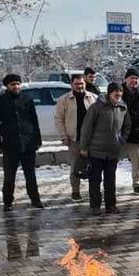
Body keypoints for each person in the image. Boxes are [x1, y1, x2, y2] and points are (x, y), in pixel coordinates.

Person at [0, 73, 44, 211]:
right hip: (9, 144)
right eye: (13, 84)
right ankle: (7, 201)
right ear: (7, 86)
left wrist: (37, 139)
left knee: (30, 174)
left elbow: (34, 120)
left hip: (28, 143)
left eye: (18, 84)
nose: (16, 86)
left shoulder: (27, 99)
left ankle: (35, 199)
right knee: (9, 175)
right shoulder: (0, 101)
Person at [79, 83, 130, 214]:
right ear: (109, 93)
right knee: (95, 180)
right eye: (115, 91)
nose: (118, 94)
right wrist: (84, 147)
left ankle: (111, 205)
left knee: (110, 180)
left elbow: (127, 126)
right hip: (96, 151)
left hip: (113, 151)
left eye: (120, 91)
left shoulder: (123, 108)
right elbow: (87, 128)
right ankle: (95, 206)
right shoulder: (97, 107)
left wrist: (121, 140)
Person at [54, 73, 98, 201]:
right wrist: (64, 136)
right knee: (75, 166)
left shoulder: (93, 98)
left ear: (85, 84)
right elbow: (58, 119)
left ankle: (94, 191)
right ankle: (75, 191)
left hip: (92, 140)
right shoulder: (64, 100)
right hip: (74, 139)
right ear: (71, 85)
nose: (79, 86)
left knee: (95, 166)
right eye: (76, 84)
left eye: (82, 83)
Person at [120, 69, 139, 194]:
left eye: (136, 78)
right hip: (119, 132)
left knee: (137, 160)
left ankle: (137, 183)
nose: (134, 81)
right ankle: (108, 184)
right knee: (111, 160)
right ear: (125, 79)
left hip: (136, 131)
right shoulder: (118, 92)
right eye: (131, 78)